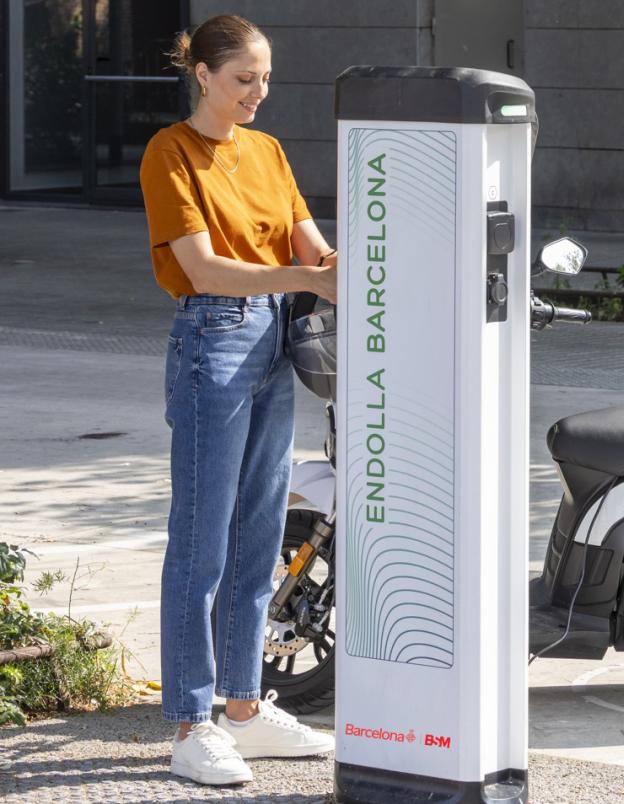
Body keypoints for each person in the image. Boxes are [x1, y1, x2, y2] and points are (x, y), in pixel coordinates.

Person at [139, 14, 337, 786]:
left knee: (259, 536)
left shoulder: (269, 152)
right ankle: (192, 724)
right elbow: (203, 268)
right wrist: (309, 278)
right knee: (201, 543)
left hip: (274, 341)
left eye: (265, 79)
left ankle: (245, 711)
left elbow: (312, 247)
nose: (258, 92)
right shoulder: (171, 152)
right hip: (212, 342)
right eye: (243, 79)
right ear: (203, 75)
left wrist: (351, 264)